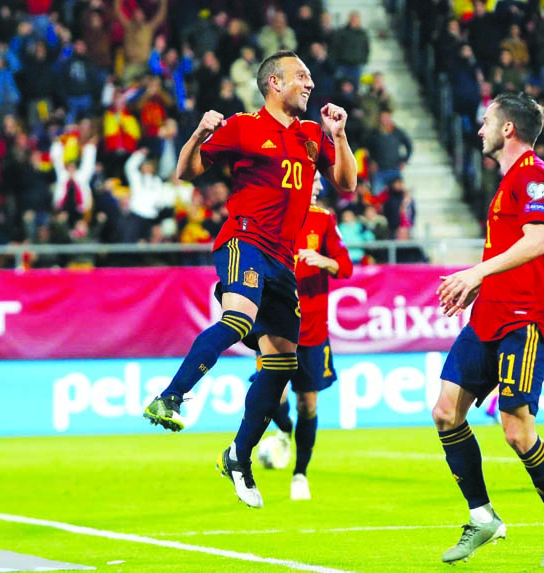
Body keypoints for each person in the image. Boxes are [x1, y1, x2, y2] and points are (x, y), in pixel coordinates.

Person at [142, 50, 356, 508]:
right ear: (274, 83)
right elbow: (186, 171)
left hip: (283, 262)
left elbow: (347, 184)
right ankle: (171, 397)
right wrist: (199, 132)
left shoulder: (313, 135)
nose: (310, 84)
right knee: (239, 320)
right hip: (244, 240)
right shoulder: (243, 127)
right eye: (301, 76)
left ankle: (239, 454)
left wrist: (341, 135)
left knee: (281, 361)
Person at [433, 92, 544, 567]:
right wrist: (482, 283)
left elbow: (537, 242)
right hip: (490, 317)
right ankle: (482, 517)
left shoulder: (534, 176)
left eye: (486, 122)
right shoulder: (508, 182)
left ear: (508, 130)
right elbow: (513, 250)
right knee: (445, 412)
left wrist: (476, 273)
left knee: (516, 431)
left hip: (526, 322)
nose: (480, 130)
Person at [253, 174, 353, 501]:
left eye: (319, 184)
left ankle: (300, 473)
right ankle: (283, 430)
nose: (319, 188)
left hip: (312, 331)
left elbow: (346, 267)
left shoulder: (323, 220)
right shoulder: (270, 219)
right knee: (272, 397)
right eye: (314, 182)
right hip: (276, 324)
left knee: (307, 404)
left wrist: (321, 260)